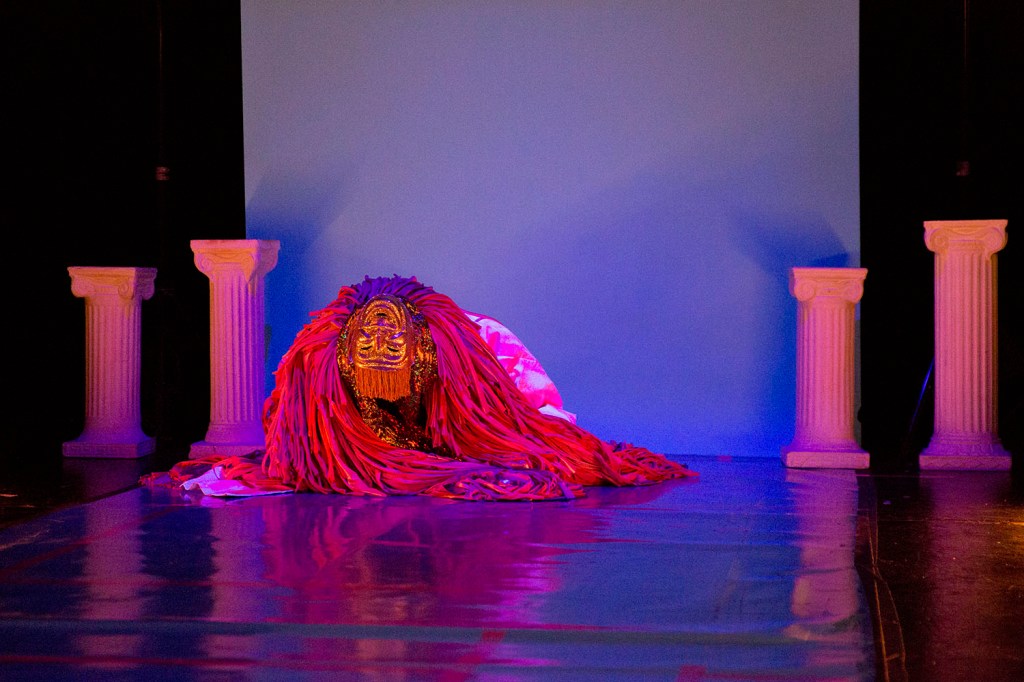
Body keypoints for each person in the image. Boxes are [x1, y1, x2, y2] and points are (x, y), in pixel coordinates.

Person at [146, 275, 696, 501]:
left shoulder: (482, 347)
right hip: (392, 412)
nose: (380, 347)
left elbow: (535, 419)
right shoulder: (321, 364)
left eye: (393, 338)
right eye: (368, 339)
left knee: (549, 451)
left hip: (484, 398)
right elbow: (300, 445)